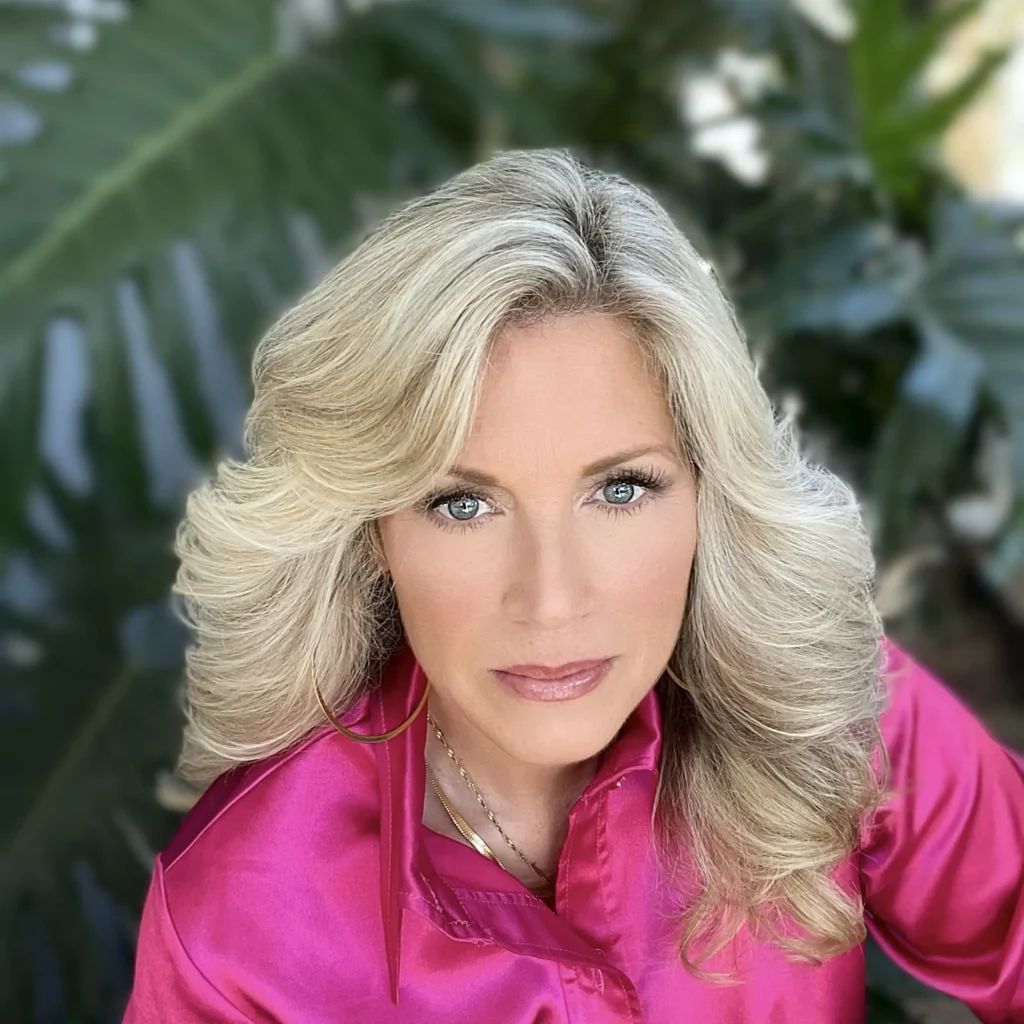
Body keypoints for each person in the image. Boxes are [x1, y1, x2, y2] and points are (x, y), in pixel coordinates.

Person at [121, 149, 1024, 1023]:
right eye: (462, 504)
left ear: (711, 495)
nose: (551, 600)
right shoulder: (234, 927)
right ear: (371, 536)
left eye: (621, 490)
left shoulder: (837, 707)